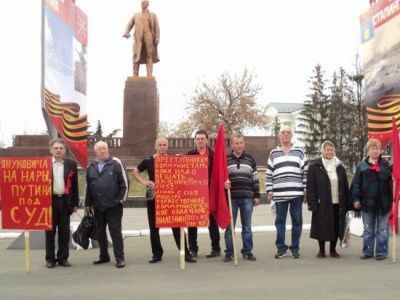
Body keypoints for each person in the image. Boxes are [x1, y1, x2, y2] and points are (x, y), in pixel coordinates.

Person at [133, 137, 196, 263]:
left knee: (177, 225)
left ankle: (185, 253)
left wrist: (181, 159)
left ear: (167, 147)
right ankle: (157, 254)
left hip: (170, 197)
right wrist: (144, 182)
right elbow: (135, 172)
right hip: (154, 197)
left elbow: (186, 170)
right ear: (155, 146)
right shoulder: (149, 160)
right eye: (160, 144)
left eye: (164, 145)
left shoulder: (172, 160)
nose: (162, 147)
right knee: (154, 227)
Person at [266, 126, 308, 259]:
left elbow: (305, 171)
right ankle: (281, 249)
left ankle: (295, 248)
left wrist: (306, 189)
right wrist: (269, 190)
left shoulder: (299, 152)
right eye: (283, 132)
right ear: (279, 135)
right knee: (280, 222)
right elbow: (269, 173)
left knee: (297, 222)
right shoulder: (273, 153)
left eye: (288, 132)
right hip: (279, 194)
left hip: (297, 194)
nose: (285, 134)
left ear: (292, 135)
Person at [85, 141, 129, 268]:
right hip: (98, 206)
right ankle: (103, 256)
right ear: (96, 152)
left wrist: (120, 200)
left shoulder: (116, 162)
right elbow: (88, 187)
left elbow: (125, 183)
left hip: (114, 206)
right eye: (100, 149)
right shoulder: (91, 167)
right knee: (100, 233)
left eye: (104, 148)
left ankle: (120, 258)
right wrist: (88, 204)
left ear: (108, 150)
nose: (103, 151)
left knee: (115, 232)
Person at [307, 141, 350, 258]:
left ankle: (333, 250)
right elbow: (310, 187)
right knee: (322, 225)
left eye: (332, 150)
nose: (330, 152)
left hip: (337, 203)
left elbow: (345, 186)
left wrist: (348, 203)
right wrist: (312, 203)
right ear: (323, 151)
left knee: (336, 225)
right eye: (327, 150)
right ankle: (321, 250)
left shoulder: (340, 166)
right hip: (322, 203)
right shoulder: (315, 166)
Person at [351, 139, 392, 260]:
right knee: (368, 228)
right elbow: (356, 184)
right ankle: (367, 251)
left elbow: (393, 181)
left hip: (384, 203)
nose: (375, 150)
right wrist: (355, 199)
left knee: (383, 229)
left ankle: (381, 252)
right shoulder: (361, 166)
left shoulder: (387, 165)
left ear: (380, 150)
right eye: (372, 148)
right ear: (368, 150)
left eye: (377, 148)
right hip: (367, 203)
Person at [223, 134, 260, 262]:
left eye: (241, 143)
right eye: (236, 143)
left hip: (247, 198)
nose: (239, 145)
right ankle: (229, 252)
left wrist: (256, 195)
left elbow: (255, 178)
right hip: (231, 198)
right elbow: (222, 178)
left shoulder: (250, 159)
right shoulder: (226, 159)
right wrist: (224, 184)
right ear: (232, 145)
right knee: (229, 227)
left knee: (247, 227)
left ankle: (247, 251)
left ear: (243, 144)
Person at [45, 139, 79, 268]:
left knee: (64, 232)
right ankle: (50, 259)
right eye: (56, 148)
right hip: (49, 202)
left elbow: (75, 185)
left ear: (65, 150)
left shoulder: (71, 164)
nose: (58, 150)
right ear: (51, 150)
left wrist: (75, 203)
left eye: (61, 148)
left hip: (65, 202)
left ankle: (63, 258)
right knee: (49, 231)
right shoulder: (45, 164)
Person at [187, 130, 221, 258]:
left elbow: (219, 173)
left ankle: (216, 248)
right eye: (198, 139)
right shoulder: (189, 155)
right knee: (192, 222)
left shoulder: (213, 155)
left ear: (207, 140)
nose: (200, 141)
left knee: (212, 222)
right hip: (194, 194)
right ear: (195, 141)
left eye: (202, 139)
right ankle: (193, 249)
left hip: (209, 193)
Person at [123, 0, 160, 77]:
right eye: (141, 3)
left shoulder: (153, 15)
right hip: (137, 38)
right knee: (136, 56)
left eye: (143, 3)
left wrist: (157, 37)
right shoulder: (136, 15)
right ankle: (135, 76)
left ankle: (149, 75)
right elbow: (130, 24)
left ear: (147, 4)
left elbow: (157, 28)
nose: (141, 4)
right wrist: (126, 32)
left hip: (149, 37)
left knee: (149, 55)